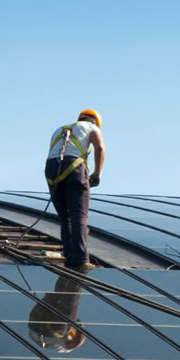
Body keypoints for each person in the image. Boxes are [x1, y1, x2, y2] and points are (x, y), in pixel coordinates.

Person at [45, 109, 106, 271]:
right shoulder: (91, 127)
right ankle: (80, 258)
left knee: (66, 217)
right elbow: (99, 148)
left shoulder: (60, 129)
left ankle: (69, 254)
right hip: (74, 167)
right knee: (78, 214)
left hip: (51, 169)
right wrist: (97, 173)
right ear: (95, 122)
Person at [29, 273, 87, 353]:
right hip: (34, 325)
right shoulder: (52, 347)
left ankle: (79, 269)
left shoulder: (64, 348)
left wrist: (80, 327)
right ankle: (66, 271)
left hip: (53, 333)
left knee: (70, 302)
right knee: (58, 295)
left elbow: (76, 342)